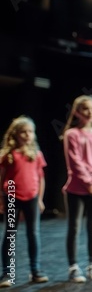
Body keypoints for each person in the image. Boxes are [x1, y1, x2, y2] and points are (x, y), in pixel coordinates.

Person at [61, 95, 92, 283]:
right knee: (75, 227)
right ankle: (73, 267)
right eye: (85, 109)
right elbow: (74, 162)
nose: (89, 112)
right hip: (77, 188)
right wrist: (88, 182)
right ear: (77, 112)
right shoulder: (71, 134)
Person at [0, 116, 49, 287]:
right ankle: (7, 273)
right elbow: (2, 177)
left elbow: (40, 178)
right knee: (10, 233)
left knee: (33, 233)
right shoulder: (8, 155)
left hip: (32, 197)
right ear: (15, 134)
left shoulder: (36, 154)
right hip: (12, 195)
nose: (27, 135)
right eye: (23, 132)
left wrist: (40, 199)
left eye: (30, 132)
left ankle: (35, 271)